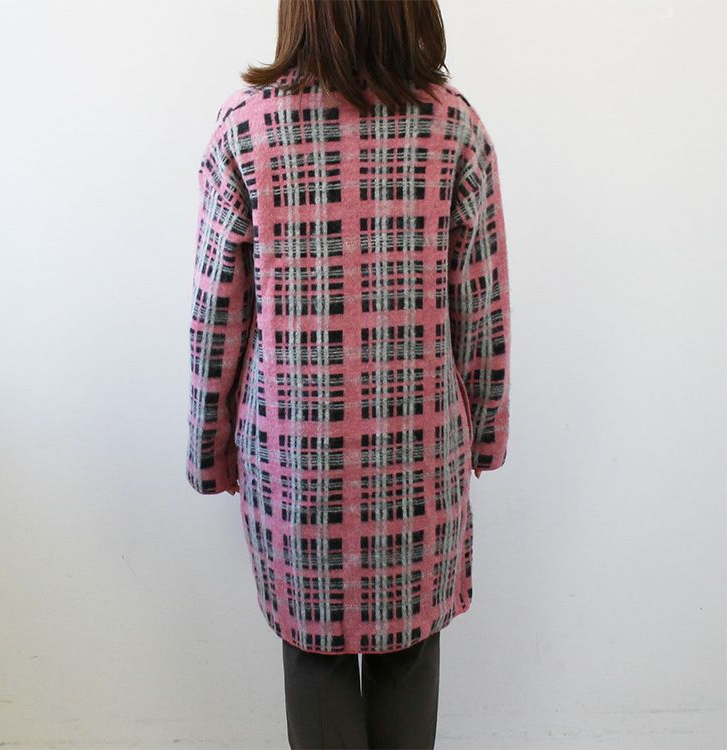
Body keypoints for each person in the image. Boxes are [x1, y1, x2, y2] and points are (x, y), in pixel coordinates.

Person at [185, 0, 512, 746]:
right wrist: (486, 436)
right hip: (419, 459)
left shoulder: (247, 130)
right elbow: (483, 307)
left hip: (296, 463)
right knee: (409, 651)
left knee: (314, 652)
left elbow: (215, 315)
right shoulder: (455, 129)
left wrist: (210, 449)